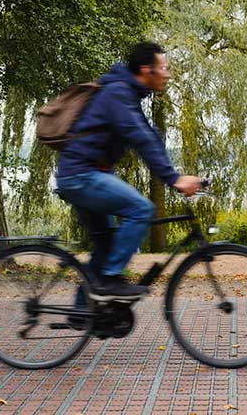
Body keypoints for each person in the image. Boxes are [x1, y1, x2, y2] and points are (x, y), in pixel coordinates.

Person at [56, 42, 202, 297]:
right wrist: (173, 178)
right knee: (141, 208)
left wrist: (177, 174)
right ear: (147, 70)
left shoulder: (127, 94)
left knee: (107, 245)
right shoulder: (118, 94)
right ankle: (111, 280)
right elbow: (139, 138)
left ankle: (82, 314)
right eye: (164, 68)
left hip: (86, 174)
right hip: (82, 175)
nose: (168, 74)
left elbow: (150, 135)